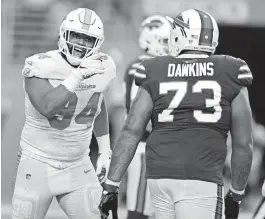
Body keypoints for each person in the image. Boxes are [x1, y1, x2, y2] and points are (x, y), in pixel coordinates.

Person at [99, 9, 253, 219]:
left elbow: (131, 131)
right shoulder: (231, 70)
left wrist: (111, 185)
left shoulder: (154, 68)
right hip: (202, 178)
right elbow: (244, 143)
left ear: (181, 36)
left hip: (159, 178)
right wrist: (236, 193)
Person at [12, 8, 116, 219]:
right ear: (62, 34)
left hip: (78, 164)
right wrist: (77, 76)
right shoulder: (40, 65)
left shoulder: (104, 66)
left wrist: (105, 150)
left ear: (97, 43)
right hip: (38, 161)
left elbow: (96, 104)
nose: (80, 44)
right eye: (76, 35)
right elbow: (47, 107)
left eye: (87, 39)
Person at [124, 15, 171, 219]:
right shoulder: (142, 67)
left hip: (156, 146)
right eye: (166, 40)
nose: (171, 45)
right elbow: (140, 117)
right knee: (139, 211)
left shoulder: (158, 65)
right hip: (145, 146)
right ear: (150, 40)